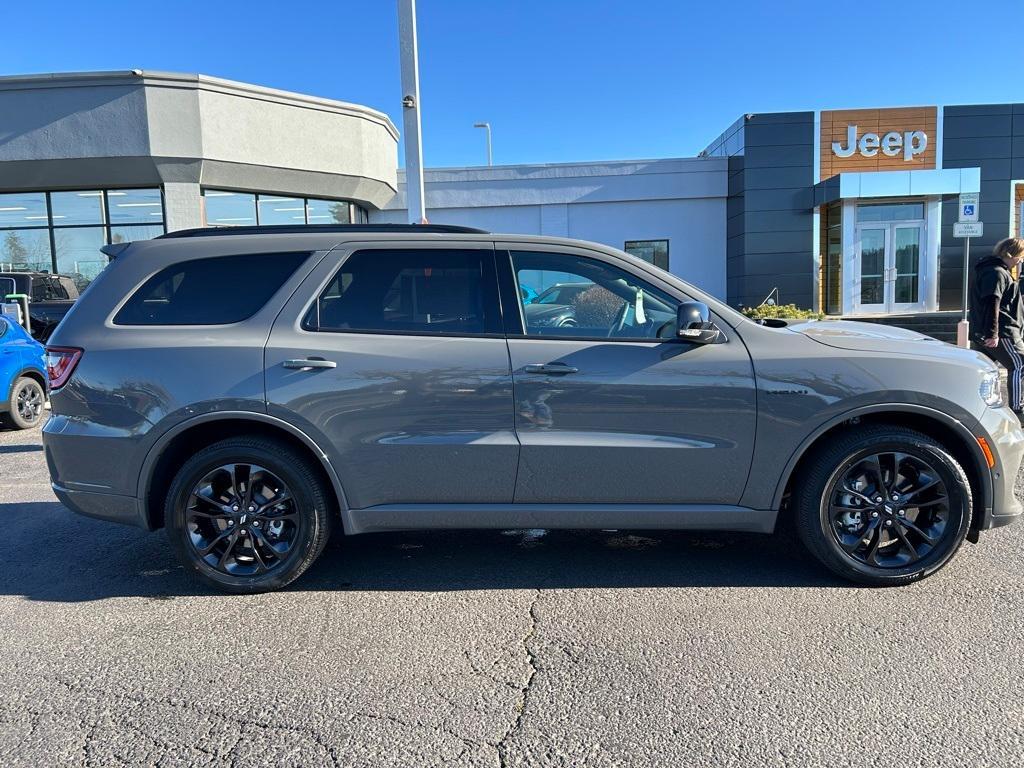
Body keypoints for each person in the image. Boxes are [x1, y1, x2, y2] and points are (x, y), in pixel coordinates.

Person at [971, 237, 1024, 420]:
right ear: (1011, 254)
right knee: (1019, 365)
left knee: (987, 370)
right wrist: (992, 334)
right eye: (1020, 256)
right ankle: (1018, 411)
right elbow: (992, 303)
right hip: (1003, 332)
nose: (1020, 260)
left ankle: (986, 407)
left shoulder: (993, 271)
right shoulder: (996, 273)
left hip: (992, 332)